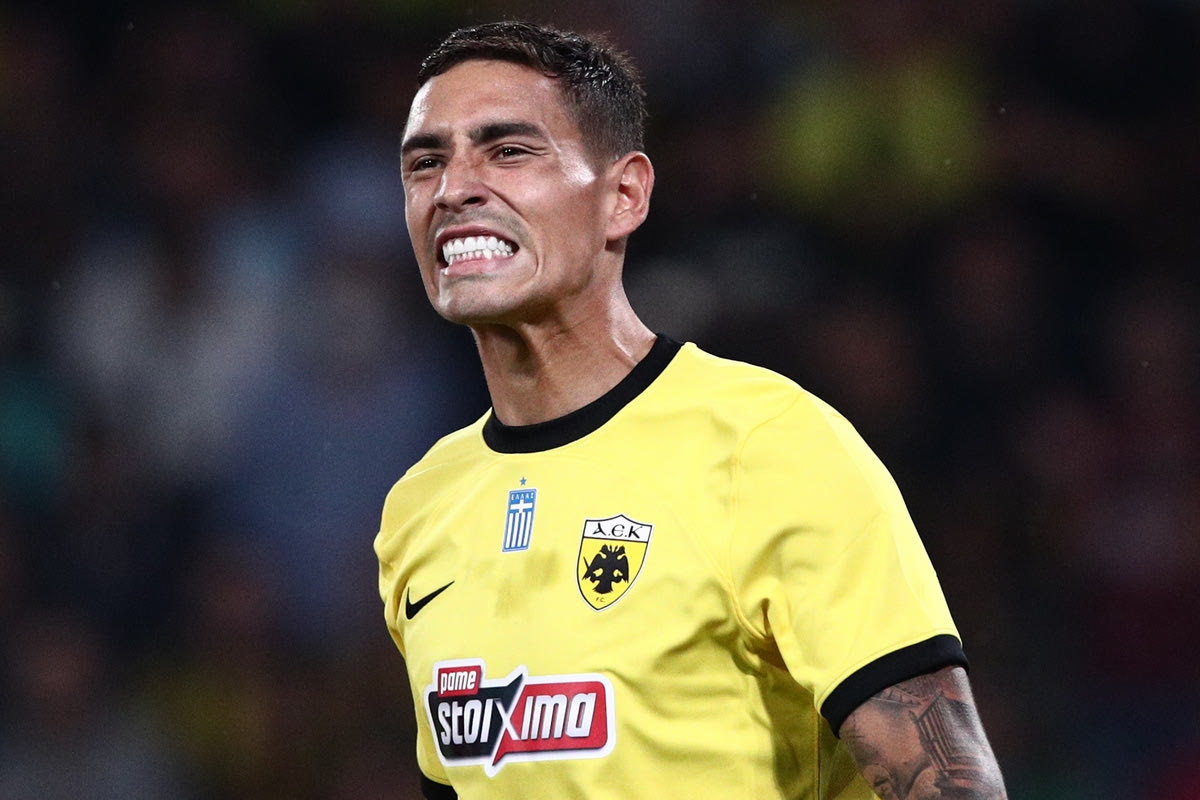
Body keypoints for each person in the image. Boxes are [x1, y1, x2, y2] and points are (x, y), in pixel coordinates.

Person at [375, 20, 1008, 800]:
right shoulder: (420, 509)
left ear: (624, 196)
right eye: (426, 162)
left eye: (508, 151)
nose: (453, 189)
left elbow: (952, 786)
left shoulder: (768, 446)